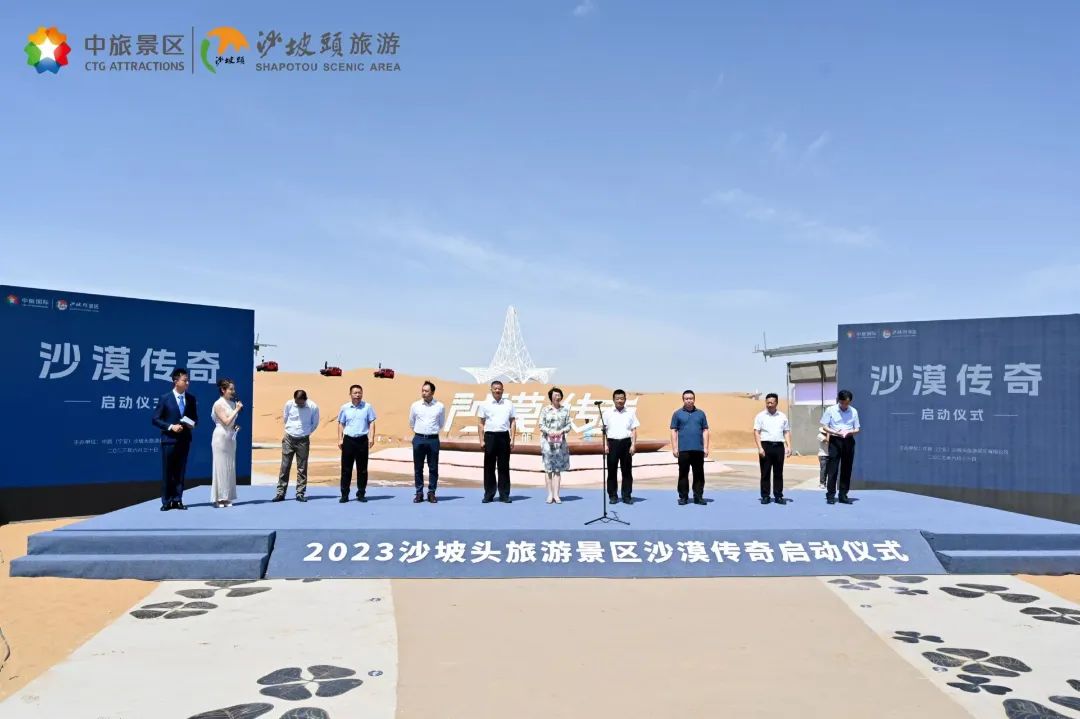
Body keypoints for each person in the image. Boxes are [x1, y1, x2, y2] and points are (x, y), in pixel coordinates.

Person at [151, 368, 199, 511]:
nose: (187, 383)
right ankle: (166, 501)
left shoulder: (191, 399)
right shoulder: (165, 398)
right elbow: (155, 419)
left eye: (188, 380)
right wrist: (171, 427)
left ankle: (177, 500)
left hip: (184, 440)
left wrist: (192, 424)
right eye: (185, 380)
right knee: (168, 471)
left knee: (180, 471)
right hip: (169, 440)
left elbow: (195, 419)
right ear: (175, 381)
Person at [275, 389, 319, 502]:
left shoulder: (313, 407)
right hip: (289, 438)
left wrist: (306, 432)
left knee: (302, 468)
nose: (299, 404)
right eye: (297, 402)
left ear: (305, 399)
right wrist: (291, 429)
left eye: (301, 403)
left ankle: (300, 493)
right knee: (285, 466)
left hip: (303, 440)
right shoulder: (289, 404)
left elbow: (315, 423)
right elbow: (285, 418)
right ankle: (280, 493)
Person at [337, 384, 377, 503]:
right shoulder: (344, 408)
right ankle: (344, 494)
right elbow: (341, 423)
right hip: (348, 441)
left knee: (362, 469)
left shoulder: (367, 407)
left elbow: (372, 422)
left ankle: (361, 493)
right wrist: (340, 439)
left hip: (362, 440)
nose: (357, 395)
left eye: (359, 393)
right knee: (346, 469)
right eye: (355, 393)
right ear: (350, 394)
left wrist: (371, 437)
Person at [478, 380, 516, 503]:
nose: (497, 390)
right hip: (490, 437)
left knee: (503, 466)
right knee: (489, 467)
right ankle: (489, 494)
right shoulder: (484, 404)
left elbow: (513, 422)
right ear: (491, 390)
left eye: (499, 388)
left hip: (504, 436)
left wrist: (513, 439)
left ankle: (504, 494)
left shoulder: (509, 404)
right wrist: (481, 440)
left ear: (503, 390)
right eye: (495, 388)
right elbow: (481, 423)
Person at [821, 389, 861, 505]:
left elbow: (857, 428)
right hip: (835, 440)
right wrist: (835, 432)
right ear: (839, 400)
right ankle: (830, 495)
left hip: (848, 440)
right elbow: (824, 426)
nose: (844, 405)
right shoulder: (830, 410)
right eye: (842, 403)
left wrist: (850, 432)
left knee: (846, 469)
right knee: (832, 469)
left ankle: (843, 495)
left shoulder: (854, 411)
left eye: (847, 403)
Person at [670, 390, 709, 506]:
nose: (689, 400)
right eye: (686, 398)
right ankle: (683, 497)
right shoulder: (677, 414)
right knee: (683, 474)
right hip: (683, 450)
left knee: (699, 474)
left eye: (691, 398)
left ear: (694, 399)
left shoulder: (701, 414)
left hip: (698, 449)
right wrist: (674, 448)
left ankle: (698, 497)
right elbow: (673, 431)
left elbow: (705, 430)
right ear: (683, 400)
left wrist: (706, 447)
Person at [409, 381, 445, 504]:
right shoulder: (415, 405)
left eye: (426, 391)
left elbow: (441, 423)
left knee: (433, 467)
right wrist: (420, 432)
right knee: (418, 467)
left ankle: (431, 493)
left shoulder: (440, 406)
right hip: (419, 438)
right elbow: (411, 422)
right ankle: (419, 493)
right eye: (422, 390)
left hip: (433, 440)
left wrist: (431, 432)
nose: (424, 393)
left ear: (432, 392)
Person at [602, 389, 640, 504]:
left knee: (627, 471)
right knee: (612, 471)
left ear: (625, 399)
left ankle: (626, 496)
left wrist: (633, 445)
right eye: (617, 398)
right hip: (612, 443)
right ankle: (613, 495)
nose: (620, 401)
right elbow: (604, 431)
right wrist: (605, 445)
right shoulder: (607, 413)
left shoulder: (630, 413)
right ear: (613, 400)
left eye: (622, 398)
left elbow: (634, 430)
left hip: (626, 443)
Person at [753, 393, 791, 505]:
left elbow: (786, 432)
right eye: (767, 402)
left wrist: (789, 446)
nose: (769, 405)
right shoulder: (760, 416)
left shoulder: (782, 416)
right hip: (765, 446)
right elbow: (756, 432)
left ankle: (778, 496)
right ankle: (765, 496)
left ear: (776, 403)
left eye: (772, 403)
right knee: (765, 472)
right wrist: (760, 447)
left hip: (779, 446)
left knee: (778, 472)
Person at [210, 378, 243, 508]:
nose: (233, 391)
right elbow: (225, 421)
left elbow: (231, 423)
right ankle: (218, 498)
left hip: (230, 438)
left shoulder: (232, 403)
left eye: (233, 389)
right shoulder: (218, 404)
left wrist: (236, 427)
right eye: (230, 389)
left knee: (229, 467)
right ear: (223, 390)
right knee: (220, 467)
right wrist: (237, 409)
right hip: (220, 438)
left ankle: (227, 497)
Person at [539, 387, 572, 504]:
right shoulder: (545, 410)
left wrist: (561, 431)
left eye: (559, 395)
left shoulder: (565, 410)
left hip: (560, 444)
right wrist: (549, 431)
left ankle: (557, 495)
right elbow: (541, 425)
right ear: (551, 397)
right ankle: (549, 494)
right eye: (555, 395)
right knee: (548, 469)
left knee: (557, 470)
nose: (557, 397)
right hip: (547, 443)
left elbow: (569, 425)